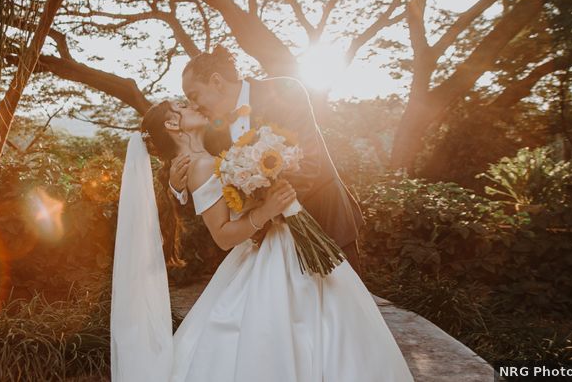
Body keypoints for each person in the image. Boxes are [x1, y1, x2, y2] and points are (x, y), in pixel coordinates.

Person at [110, 100, 414, 382]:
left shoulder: (206, 155)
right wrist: (266, 210)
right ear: (173, 126)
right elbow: (222, 236)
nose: (195, 105)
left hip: (277, 240)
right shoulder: (199, 165)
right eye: (184, 106)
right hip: (265, 248)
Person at [169, 45, 367, 274]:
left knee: (343, 305)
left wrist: (271, 208)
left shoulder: (285, 91)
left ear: (216, 81)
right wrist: (177, 186)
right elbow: (205, 182)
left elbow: (309, 162)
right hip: (271, 247)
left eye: (194, 96)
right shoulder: (212, 132)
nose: (194, 106)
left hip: (326, 220)